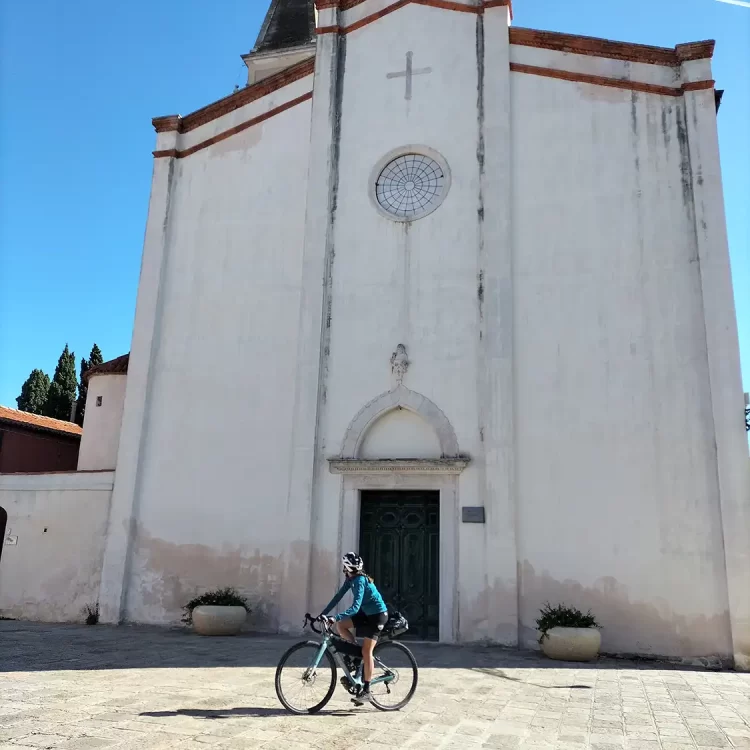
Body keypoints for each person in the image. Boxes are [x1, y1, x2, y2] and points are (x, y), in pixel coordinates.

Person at [320, 552, 388, 705]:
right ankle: (358, 659)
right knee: (342, 626)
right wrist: (322, 614)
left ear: (348, 568)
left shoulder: (359, 581)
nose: (343, 569)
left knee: (367, 651)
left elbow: (355, 607)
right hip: (367, 613)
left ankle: (367, 691)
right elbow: (338, 597)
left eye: (344, 566)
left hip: (378, 616)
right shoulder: (351, 579)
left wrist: (334, 617)